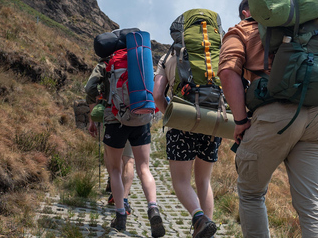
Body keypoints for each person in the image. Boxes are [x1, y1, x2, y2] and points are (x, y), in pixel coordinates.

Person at [217, 0, 318, 238]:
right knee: (313, 206)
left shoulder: (242, 30)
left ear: (246, 12)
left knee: (252, 193)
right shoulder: (317, 30)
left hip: (274, 116)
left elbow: (227, 72)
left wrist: (241, 121)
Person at [85, 57, 165, 237]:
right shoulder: (140, 60)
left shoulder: (106, 63)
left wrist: (100, 100)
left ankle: (120, 215)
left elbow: (89, 88)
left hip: (115, 119)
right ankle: (153, 208)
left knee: (114, 169)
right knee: (143, 167)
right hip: (141, 119)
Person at [153, 51, 220, 238]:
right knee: (204, 180)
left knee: (181, 181)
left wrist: (171, 115)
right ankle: (207, 231)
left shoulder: (168, 57)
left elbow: (157, 95)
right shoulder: (213, 52)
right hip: (212, 122)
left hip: (181, 123)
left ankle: (199, 219)